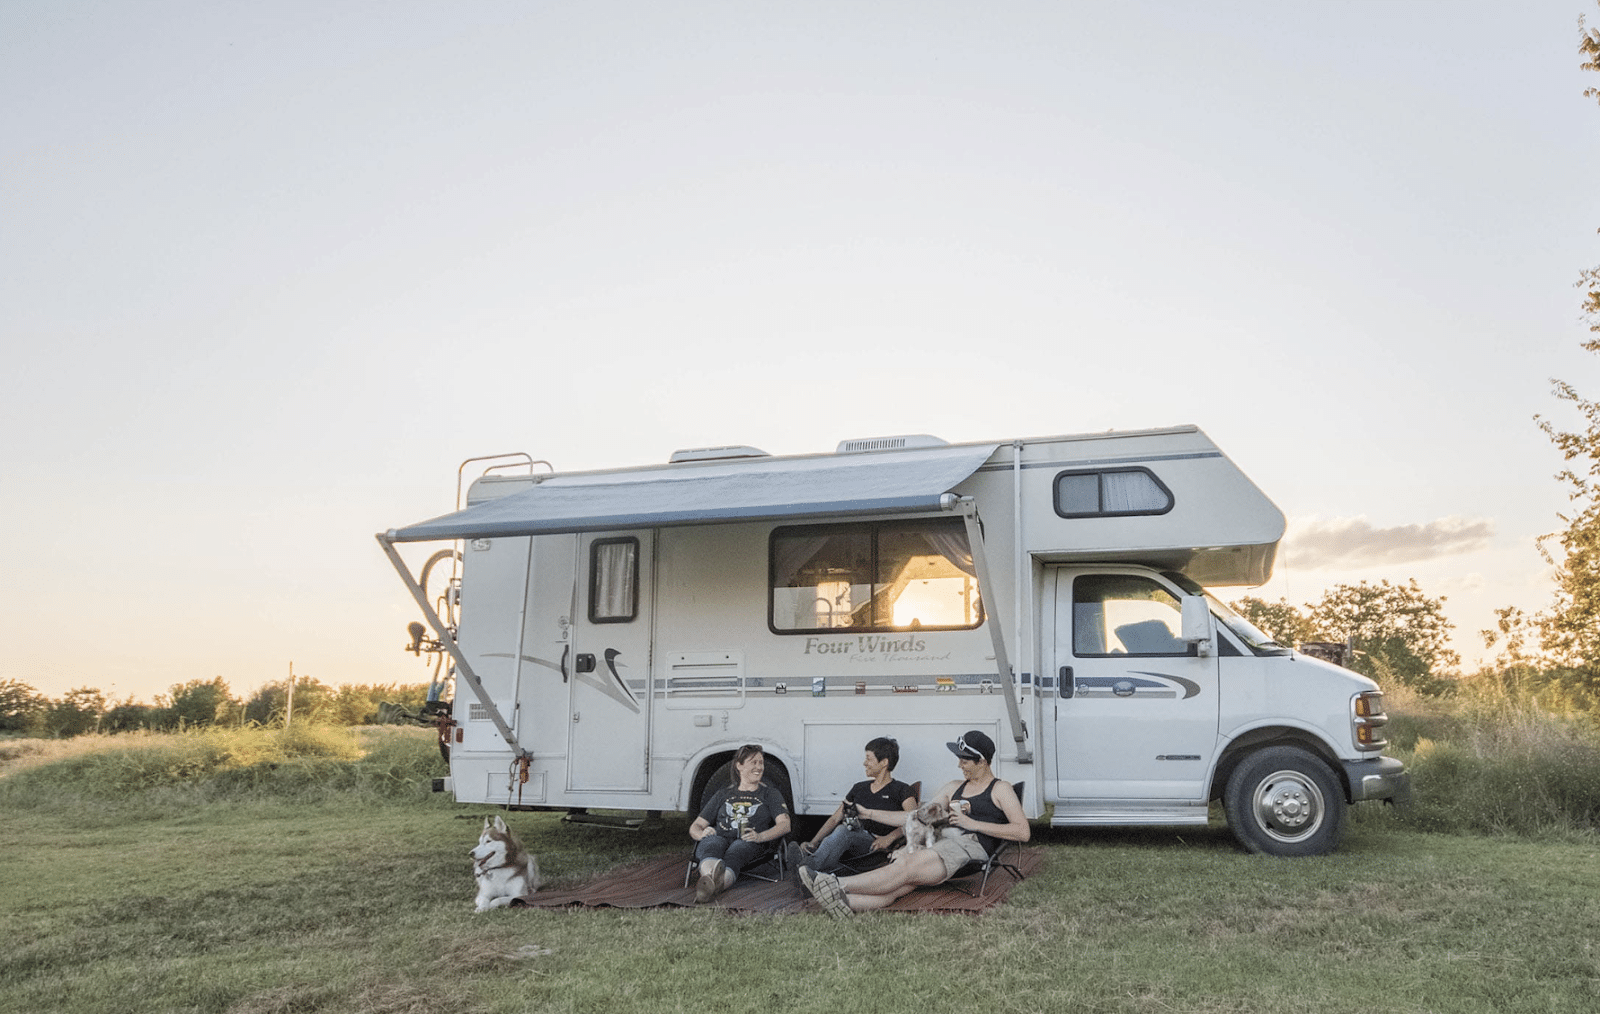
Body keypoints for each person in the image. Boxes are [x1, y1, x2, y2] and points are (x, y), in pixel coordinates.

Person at [798, 729, 1028, 917]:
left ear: (983, 762)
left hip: (969, 845)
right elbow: (917, 817)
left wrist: (973, 824)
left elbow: (1022, 832)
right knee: (898, 886)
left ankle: (832, 883)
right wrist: (868, 813)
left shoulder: (1000, 789)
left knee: (904, 868)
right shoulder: (953, 787)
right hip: (940, 841)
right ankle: (844, 903)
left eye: (965, 760)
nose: (959, 764)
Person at [788, 736, 916, 875]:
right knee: (841, 830)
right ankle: (809, 867)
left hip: (877, 847)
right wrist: (813, 842)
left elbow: (916, 820)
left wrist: (890, 837)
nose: (864, 763)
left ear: (884, 762)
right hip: (854, 838)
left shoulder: (902, 789)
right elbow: (835, 819)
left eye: (869, 758)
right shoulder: (859, 788)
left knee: (844, 832)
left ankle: (806, 868)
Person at [687, 743, 792, 903]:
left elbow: (785, 824)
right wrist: (701, 834)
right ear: (739, 766)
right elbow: (696, 825)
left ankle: (714, 886)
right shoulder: (724, 794)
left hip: (750, 840)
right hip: (720, 836)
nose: (759, 767)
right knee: (710, 845)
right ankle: (709, 880)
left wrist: (760, 836)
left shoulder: (769, 794)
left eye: (761, 762)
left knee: (736, 851)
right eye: (754, 762)